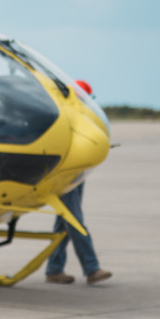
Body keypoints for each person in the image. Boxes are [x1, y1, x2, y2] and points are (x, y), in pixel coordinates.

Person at [46, 79, 112, 286]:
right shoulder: (67, 117)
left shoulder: (77, 117)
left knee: (64, 224)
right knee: (74, 221)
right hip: (65, 175)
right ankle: (92, 268)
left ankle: (54, 269)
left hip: (77, 174)